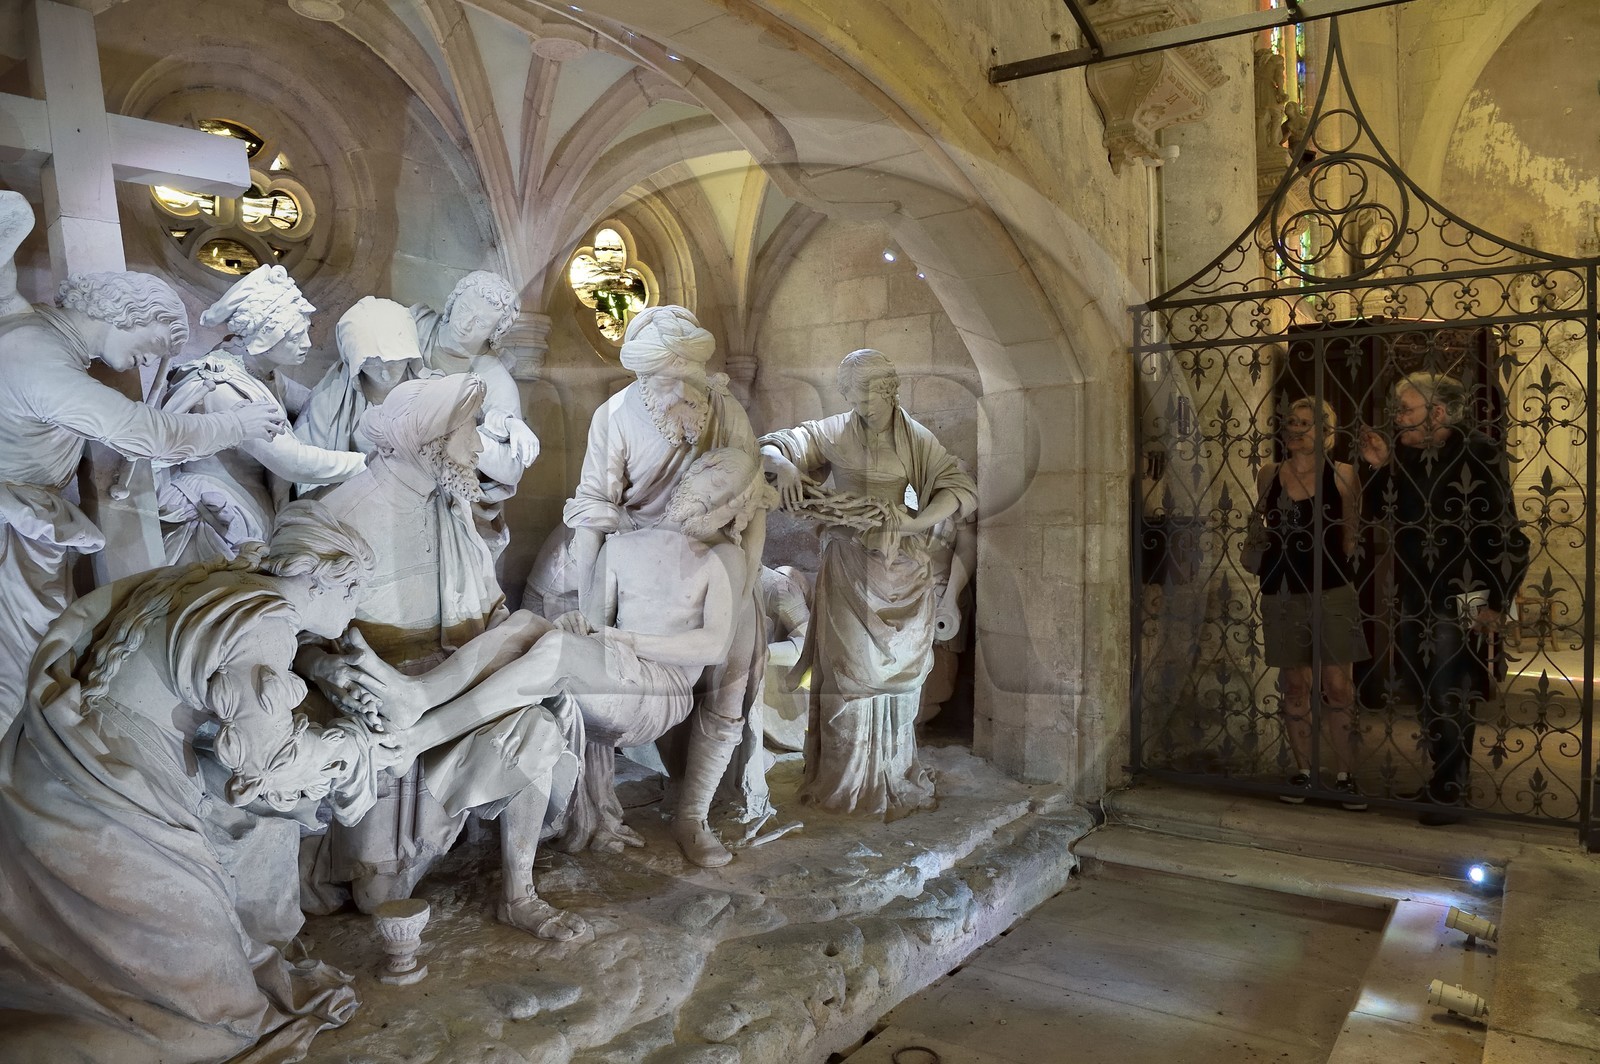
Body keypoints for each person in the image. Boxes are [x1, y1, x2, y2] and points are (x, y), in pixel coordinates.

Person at [0, 502, 399, 1064]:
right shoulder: (265, 621)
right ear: (333, 580)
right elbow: (269, 762)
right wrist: (352, 749)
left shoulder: (217, 582)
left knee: (107, 977)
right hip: (110, 810)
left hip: (63, 767)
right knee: (209, 1020)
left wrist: (318, 672)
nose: (358, 607)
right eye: (358, 591)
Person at [363, 448, 772, 857]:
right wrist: (576, 621)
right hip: (613, 668)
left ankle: (420, 737)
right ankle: (418, 694)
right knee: (525, 626)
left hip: (659, 691)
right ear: (691, 475)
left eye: (733, 498)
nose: (717, 499)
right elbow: (594, 623)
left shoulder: (724, 557)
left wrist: (629, 642)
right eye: (715, 481)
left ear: (738, 514)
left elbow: (714, 645)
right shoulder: (624, 546)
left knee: (556, 650)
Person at [298, 374, 586, 938]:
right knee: (377, 895)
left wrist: (514, 647)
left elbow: (493, 615)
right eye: (469, 431)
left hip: (461, 691)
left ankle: (519, 893)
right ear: (428, 438)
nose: (479, 446)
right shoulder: (338, 513)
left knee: (537, 725)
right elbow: (295, 635)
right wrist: (323, 667)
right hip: (375, 697)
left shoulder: (452, 507)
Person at [0, 271, 285, 731]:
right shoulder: (38, 357)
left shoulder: (37, 334)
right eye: (160, 339)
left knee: (36, 658)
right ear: (127, 311)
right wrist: (237, 424)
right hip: (12, 531)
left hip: (25, 527)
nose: (153, 358)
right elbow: (146, 432)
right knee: (18, 668)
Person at [564, 305, 768, 867]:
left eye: (687, 376)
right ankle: (601, 807)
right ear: (640, 375)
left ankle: (692, 815)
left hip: (715, 557)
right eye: (664, 378)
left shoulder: (723, 406)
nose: (678, 388)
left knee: (733, 671)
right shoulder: (614, 416)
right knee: (605, 668)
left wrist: (743, 587)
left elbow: (754, 501)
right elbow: (592, 510)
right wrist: (590, 613)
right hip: (638, 551)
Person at [761, 349, 978, 817]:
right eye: (854, 400)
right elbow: (772, 445)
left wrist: (914, 524)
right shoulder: (833, 431)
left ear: (889, 391)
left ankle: (890, 772)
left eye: (870, 400)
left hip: (901, 567)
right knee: (847, 671)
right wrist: (784, 464)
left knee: (898, 681)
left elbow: (959, 488)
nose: (863, 410)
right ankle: (844, 780)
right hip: (847, 565)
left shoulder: (916, 439)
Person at [1359, 372, 1526, 825]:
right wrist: (1378, 466)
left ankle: (1450, 789)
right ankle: (1442, 779)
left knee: (1447, 688)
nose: (1398, 420)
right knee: (1421, 687)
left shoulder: (1478, 451)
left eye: (1406, 411)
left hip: (1463, 591)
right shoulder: (1407, 457)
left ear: (1437, 413)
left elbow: (1506, 531)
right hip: (1416, 591)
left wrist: (1499, 601)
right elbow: (1383, 511)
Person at [159, 264, 366, 564]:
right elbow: (292, 461)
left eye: (305, 332)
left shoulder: (261, 372)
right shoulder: (222, 385)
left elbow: (316, 402)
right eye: (295, 337)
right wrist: (365, 461)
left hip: (253, 501)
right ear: (265, 337)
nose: (307, 344)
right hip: (220, 511)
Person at [1255, 397, 1367, 810]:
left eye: (1305, 423)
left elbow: (1351, 534)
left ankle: (1345, 775)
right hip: (1282, 589)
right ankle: (1304, 772)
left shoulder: (1342, 475)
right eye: (1290, 422)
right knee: (1295, 684)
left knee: (1337, 686)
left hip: (1332, 588)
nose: (1295, 429)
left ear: (1325, 432)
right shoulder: (1269, 474)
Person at [411, 271, 538, 557]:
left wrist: (472, 438)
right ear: (452, 301)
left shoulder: (493, 377)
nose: (465, 324)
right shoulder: (413, 326)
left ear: (495, 333)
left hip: (437, 490)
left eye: (480, 322)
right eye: (465, 309)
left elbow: (512, 468)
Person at [294, 295, 431, 475]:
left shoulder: (434, 392)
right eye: (371, 365)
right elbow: (305, 465)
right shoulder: (327, 403)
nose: (385, 374)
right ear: (353, 363)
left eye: (394, 362)